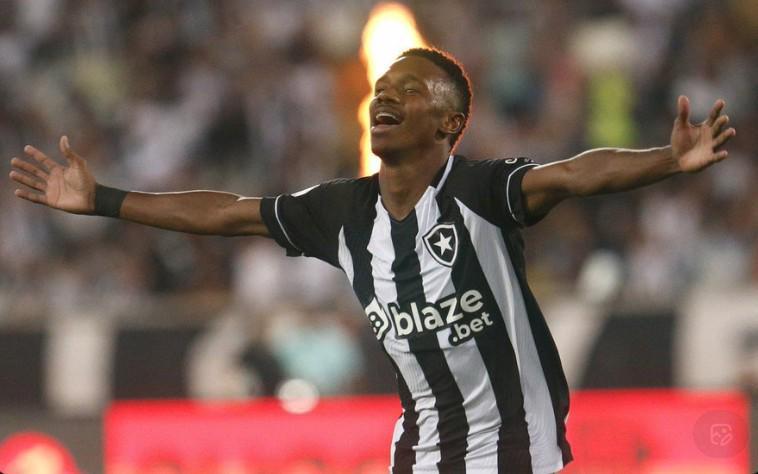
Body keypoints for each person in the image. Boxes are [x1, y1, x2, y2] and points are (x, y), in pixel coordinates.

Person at [8, 47, 735, 474]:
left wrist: (666, 161)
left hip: (518, 453)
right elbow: (227, 212)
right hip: (418, 455)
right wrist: (102, 199)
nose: (386, 95)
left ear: (450, 123)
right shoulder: (342, 213)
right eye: (383, 87)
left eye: (410, 90)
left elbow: (573, 174)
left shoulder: (480, 193)